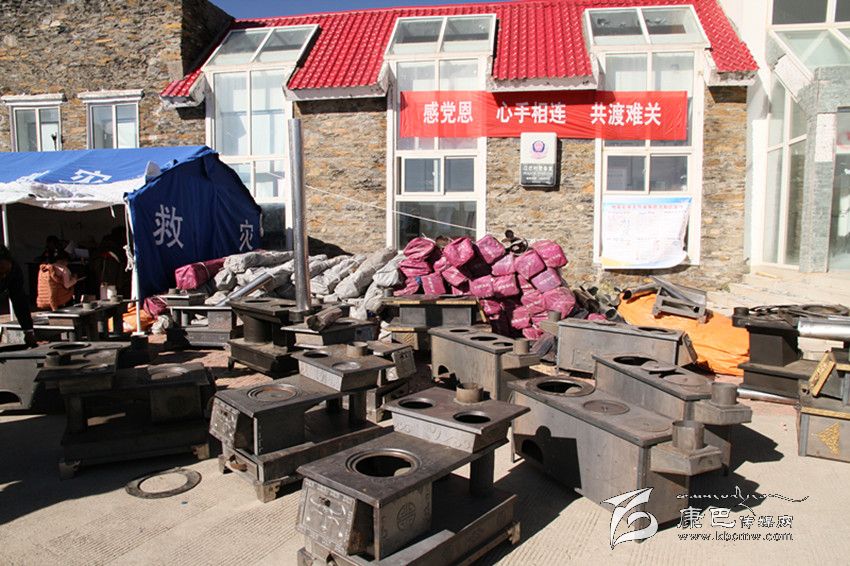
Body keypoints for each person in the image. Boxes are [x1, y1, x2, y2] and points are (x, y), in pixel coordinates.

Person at [0, 245, 37, 347]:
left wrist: (28, 331)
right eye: (0, 272)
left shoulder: (14, 270)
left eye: (6, 272)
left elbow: (20, 301)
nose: (4, 276)